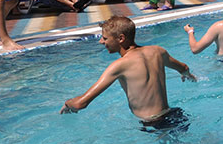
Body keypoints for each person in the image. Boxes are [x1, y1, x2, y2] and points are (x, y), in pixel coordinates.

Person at [60, 15, 196, 130]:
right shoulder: (157, 51)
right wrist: (188, 76)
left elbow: (80, 104)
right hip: (174, 115)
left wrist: (68, 103)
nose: (101, 42)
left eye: (105, 38)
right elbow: (184, 68)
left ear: (121, 38)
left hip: (153, 124)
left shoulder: (119, 65)